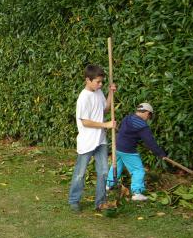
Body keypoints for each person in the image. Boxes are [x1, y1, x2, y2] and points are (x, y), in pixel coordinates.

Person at [68, 64, 116, 212]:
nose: (100, 84)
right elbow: (85, 121)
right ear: (88, 80)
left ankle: (100, 202)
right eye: (98, 82)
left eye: (102, 82)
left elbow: (105, 108)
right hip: (87, 141)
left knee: (103, 172)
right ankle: (74, 200)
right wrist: (105, 125)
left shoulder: (99, 92)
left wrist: (110, 93)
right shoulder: (83, 98)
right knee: (80, 173)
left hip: (100, 140)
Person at [106, 103, 166, 201]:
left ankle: (109, 185)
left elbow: (125, 131)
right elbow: (150, 142)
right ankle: (137, 193)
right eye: (150, 115)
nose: (149, 118)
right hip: (127, 150)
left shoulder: (128, 118)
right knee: (138, 170)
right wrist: (160, 154)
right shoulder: (142, 125)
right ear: (146, 112)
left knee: (116, 165)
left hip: (117, 146)